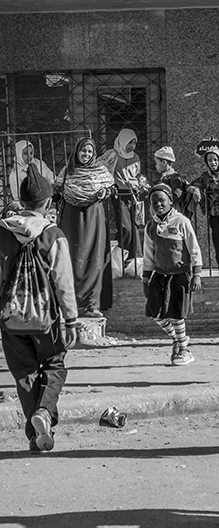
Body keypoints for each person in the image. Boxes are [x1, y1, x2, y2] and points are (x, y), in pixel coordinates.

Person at [0, 165, 78, 453]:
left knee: (24, 373)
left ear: (21, 202)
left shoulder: (3, 232)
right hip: (48, 319)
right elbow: (63, 282)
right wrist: (71, 319)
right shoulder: (52, 234)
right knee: (54, 364)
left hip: (10, 319)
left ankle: (35, 436)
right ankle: (44, 413)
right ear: (46, 203)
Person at [53, 137, 115, 317]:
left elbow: (112, 188)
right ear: (77, 151)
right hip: (71, 219)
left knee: (94, 258)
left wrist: (106, 192)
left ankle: (92, 305)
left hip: (94, 217)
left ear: (93, 153)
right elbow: (56, 190)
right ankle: (69, 304)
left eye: (89, 151)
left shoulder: (100, 171)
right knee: (70, 258)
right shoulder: (67, 171)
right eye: (83, 150)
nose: (86, 154)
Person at [142, 184, 202, 366]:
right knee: (156, 313)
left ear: (170, 200)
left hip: (179, 274)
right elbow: (148, 252)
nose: (158, 204)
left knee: (176, 313)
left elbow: (194, 248)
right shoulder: (151, 225)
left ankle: (184, 351)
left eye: (162, 200)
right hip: (160, 275)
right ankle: (179, 339)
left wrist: (197, 273)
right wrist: (145, 277)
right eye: (154, 202)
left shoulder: (181, 221)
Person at [98, 128, 150, 263]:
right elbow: (100, 168)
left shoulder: (135, 157)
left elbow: (137, 174)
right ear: (123, 141)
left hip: (134, 195)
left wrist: (142, 183)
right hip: (119, 194)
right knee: (125, 226)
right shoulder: (113, 155)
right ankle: (123, 255)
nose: (132, 146)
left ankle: (134, 258)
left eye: (134, 143)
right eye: (130, 142)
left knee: (134, 226)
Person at [190, 147, 219, 276]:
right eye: (210, 160)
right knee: (218, 240)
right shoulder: (205, 176)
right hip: (214, 213)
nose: (213, 163)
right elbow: (191, 185)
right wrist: (196, 191)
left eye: (215, 160)